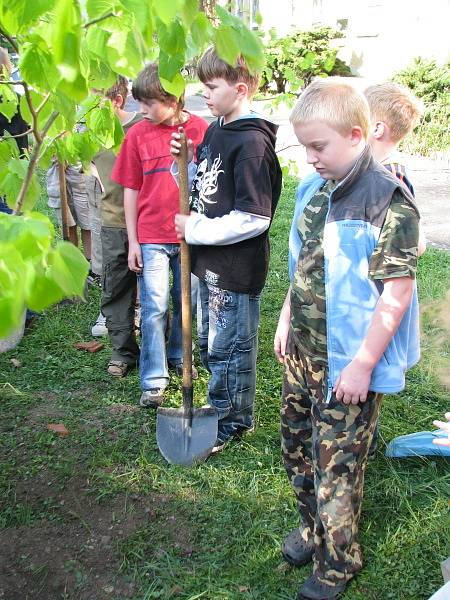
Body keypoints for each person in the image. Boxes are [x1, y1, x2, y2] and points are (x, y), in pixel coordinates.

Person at [274, 78, 420, 600]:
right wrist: (287, 316)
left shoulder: (388, 202)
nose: (310, 158)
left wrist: (361, 365)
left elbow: (395, 296)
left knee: (336, 463)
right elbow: (301, 264)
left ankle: (339, 560)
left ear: (357, 134)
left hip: (347, 364)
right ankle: (314, 530)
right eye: (305, 146)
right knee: (295, 446)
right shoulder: (315, 190)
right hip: (302, 354)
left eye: (319, 146)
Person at [171, 47, 282, 452]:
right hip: (209, 264)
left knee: (229, 348)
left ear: (238, 89)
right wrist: (180, 164)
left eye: (210, 86)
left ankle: (233, 419)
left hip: (235, 270)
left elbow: (255, 217)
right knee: (209, 343)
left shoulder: (251, 144)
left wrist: (196, 229)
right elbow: (206, 185)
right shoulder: (218, 129)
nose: (203, 93)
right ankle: (220, 405)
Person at [112, 64, 208, 405]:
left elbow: (208, 186)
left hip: (190, 236)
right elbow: (131, 189)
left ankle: (180, 357)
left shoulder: (200, 132)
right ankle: (154, 377)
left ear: (172, 98)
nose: (142, 110)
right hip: (151, 236)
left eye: (148, 103)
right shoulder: (137, 135)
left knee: (187, 302)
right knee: (153, 306)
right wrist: (134, 240)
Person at [88, 77, 142, 375]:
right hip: (113, 223)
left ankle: (162, 350)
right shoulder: (92, 135)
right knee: (116, 288)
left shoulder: (140, 129)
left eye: (93, 102)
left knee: (153, 291)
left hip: (147, 224)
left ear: (116, 101)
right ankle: (123, 352)